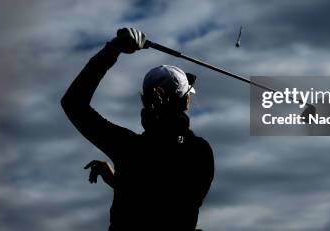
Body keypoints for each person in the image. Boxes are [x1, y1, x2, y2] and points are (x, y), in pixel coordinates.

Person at [61, 27, 215, 231]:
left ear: (144, 100)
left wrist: (113, 49)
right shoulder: (199, 150)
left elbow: (73, 103)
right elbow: (172, 206)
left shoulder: (127, 147)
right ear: (186, 101)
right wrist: (123, 181)